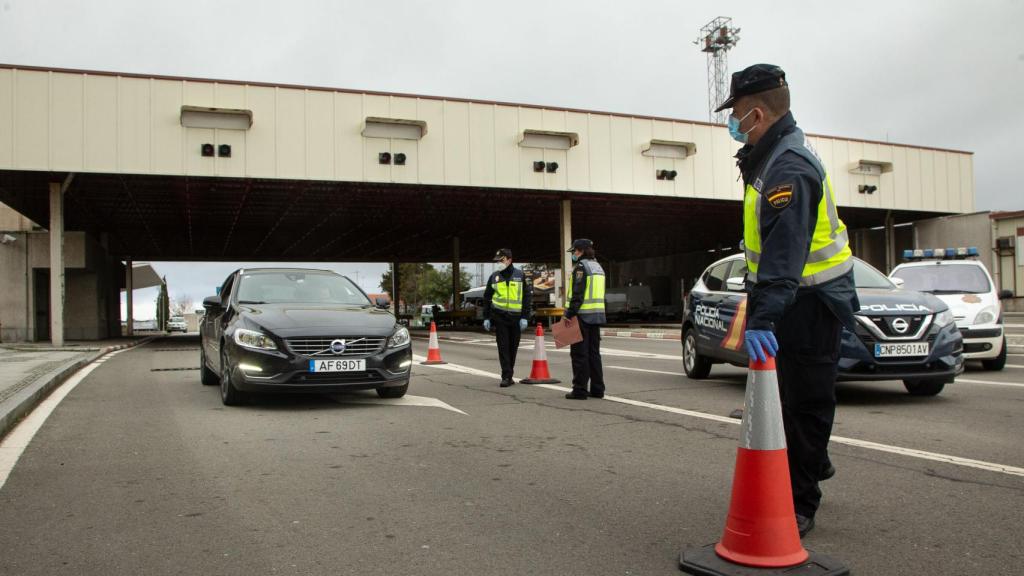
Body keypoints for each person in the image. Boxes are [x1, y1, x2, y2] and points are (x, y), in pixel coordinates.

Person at [716, 63, 858, 537]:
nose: (732, 122)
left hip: (812, 300)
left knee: (806, 402)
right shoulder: (770, 154)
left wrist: (765, 315)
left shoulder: (789, 168)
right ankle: (811, 460)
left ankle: (801, 501)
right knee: (792, 400)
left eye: (735, 112)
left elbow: (784, 250)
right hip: (793, 295)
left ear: (756, 112)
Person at [563, 239, 607, 400]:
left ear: (580, 250)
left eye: (574, 251)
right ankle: (597, 389)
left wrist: (569, 314)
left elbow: (578, 295)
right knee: (594, 354)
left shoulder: (581, 268)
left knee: (579, 354)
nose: (573, 254)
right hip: (596, 316)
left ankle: (580, 390)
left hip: (582, 316)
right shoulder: (598, 267)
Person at [482, 248, 532, 387]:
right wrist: (486, 317)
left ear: (509, 260)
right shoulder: (494, 277)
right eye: (498, 260)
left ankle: (510, 373)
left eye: (501, 260)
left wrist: (525, 317)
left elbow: (527, 297)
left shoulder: (520, 275)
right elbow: (487, 298)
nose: (499, 262)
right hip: (500, 317)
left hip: (516, 318)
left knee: (513, 347)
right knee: (503, 347)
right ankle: (506, 376)